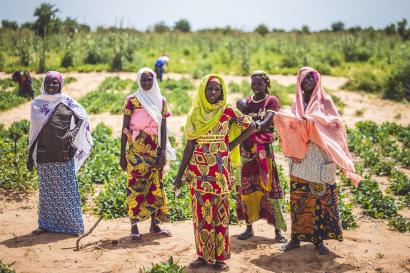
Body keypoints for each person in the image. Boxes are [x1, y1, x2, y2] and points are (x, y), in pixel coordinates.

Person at [274, 67, 362, 255]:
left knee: (320, 199)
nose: (307, 82)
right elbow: (293, 128)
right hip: (301, 159)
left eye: (310, 79)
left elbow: (335, 125)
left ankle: (319, 241)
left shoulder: (325, 101)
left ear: (317, 80)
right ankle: (296, 238)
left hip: (321, 156)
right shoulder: (296, 102)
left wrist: (314, 121)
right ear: (299, 82)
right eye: (304, 79)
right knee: (299, 199)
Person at [174, 74, 256, 271]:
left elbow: (251, 126)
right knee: (200, 215)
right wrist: (179, 175)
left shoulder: (227, 111)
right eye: (209, 89)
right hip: (198, 172)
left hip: (220, 173)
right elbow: (189, 146)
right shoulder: (196, 114)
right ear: (203, 91)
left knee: (220, 214)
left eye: (217, 89)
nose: (213, 92)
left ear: (222, 92)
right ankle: (202, 256)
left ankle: (220, 258)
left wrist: (231, 144)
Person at [27, 71, 93, 235]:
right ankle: (45, 224)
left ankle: (74, 227)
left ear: (60, 85)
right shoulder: (37, 104)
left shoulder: (67, 102)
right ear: (44, 84)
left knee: (67, 191)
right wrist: (30, 156)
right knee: (47, 193)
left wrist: (74, 132)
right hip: (44, 154)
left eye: (55, 83)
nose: (51, 86)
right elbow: (33, 133)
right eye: (48, 82)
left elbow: (82, 118)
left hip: (64, 153)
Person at [120, 67, 176, 241]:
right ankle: (134, 226)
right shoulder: (132, 100)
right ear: (138, 81)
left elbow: (163, 127)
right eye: (143, 80)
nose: (146, 83)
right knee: (135, 186)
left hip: (155, 149)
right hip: (136, 149)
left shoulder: (161, 101)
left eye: (149, 80)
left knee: (155, 186)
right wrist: (122, 154)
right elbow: (124, 128)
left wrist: (163, 152)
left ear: (154, 81)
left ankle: (154, 224)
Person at [235, 70, 287, 242]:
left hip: (264, 152)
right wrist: (244, 138)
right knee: (247, 190)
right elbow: (240, 125)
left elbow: (265, 124)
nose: (256, 86)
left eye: (260, 83)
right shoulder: (245, 103)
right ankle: (249, 228)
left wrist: (251, 127)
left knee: (269, 188)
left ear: (266, 84)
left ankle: (278, 231)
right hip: (247, 152)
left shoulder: (271, 101)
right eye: (254, 83)